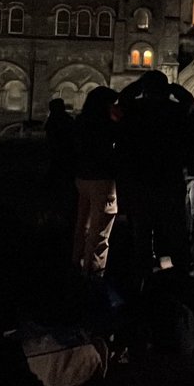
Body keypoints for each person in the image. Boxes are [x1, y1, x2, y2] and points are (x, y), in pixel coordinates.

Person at [117, 71, 194, 278]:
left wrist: (139, 85)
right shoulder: (175, 111)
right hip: (169, 179)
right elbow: (189, 102)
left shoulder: (134, 111)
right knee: (173, 227)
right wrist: (172, 88)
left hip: (140, 180)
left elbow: (123, 99)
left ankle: (143, 271)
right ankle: (178, 269)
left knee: (142, 229)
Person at [71, 86, 121, 276]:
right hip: (102, 178)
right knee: (100, 226)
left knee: (82, 222)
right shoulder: (106, 123)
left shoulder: (81, 121)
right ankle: (93, 270)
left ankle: (76, 261)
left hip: (82, 176)